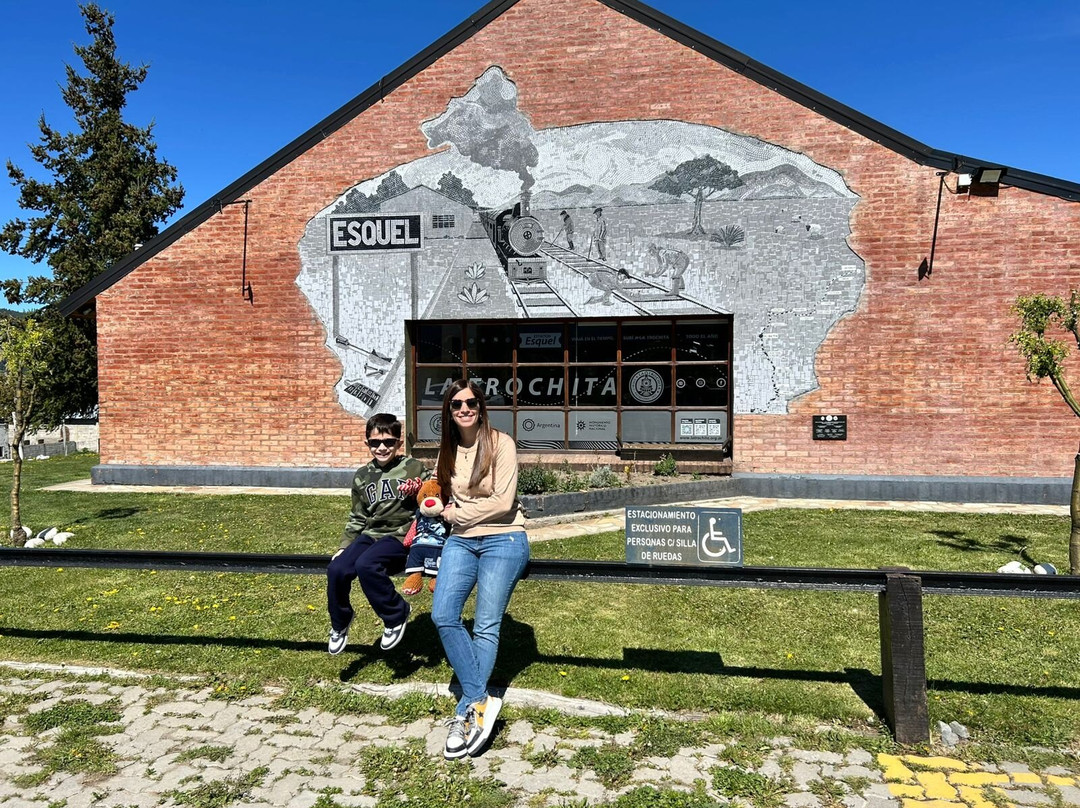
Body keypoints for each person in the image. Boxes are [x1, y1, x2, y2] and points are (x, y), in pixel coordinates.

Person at [431, 380, 528, 760]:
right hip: (461, 540)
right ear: (449, 411)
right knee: (443, 615)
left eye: (471, 402)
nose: (465, 408)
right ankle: (479, 698)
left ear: (482, 406)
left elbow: (504, 503)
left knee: (485, 624)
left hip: (504, 538)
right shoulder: (449, 450)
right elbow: (440, 496)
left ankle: (468, 712)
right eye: (457, 404)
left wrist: (457, 514)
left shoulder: (501, 443)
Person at [326, 413, 427, 655]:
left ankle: (396, 614)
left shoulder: (412, 467)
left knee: (366, 565)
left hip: (400, 535)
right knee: (337, 569)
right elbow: (358, 516)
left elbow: (431, 496)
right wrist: (344, 546)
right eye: (375, 443)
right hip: (370, 534)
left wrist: (420, 490)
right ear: (367, 444)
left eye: (389, 442)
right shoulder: (362, 475)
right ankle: (340, 622)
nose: (382, 448)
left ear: (399, 444)